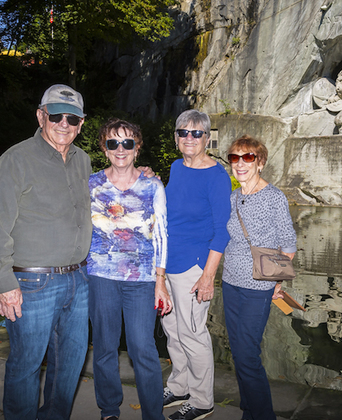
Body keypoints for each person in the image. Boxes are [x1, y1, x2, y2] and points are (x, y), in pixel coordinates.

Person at [0, 84, 92, 420]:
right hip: (30, 284)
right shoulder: (16, 160)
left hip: (78, 279)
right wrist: (4, 281)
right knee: (26, 367)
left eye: (72, 118)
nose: (64, 124)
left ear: (81, 124)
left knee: (69, 366)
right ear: (41, 115)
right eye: (56, 115)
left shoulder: (83, 161)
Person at [87, 118, 172, 420]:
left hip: (142, 279)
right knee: (105, 348)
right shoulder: (92, 184)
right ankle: (109, 410)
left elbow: (162, 234)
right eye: (113, 143)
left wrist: (160, 281)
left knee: (143, 349)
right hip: (100, 276)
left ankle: (153, 415)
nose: (120, 149)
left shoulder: (152, 185)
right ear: (104, 148)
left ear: (137, 147)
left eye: (127, 142)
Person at [161, 110, 231, 420]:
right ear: (176, 137)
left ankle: (202, 400)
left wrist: (208, 277)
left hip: (194, 265)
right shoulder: (177, 167)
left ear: (206, 138)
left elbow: (222, 230)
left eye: (196, 133)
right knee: (173, 330)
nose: (189, 138)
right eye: (183, 133)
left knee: (192, 332)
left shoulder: (216, 176)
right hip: (168, 261)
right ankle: (180, 386)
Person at [222, 135, 297, 420]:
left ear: (260, 162)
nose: (240, 164)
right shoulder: (233, 197)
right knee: (238, 352)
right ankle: (249, 411)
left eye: (248, 157)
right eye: (235, 158)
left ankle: (262, 415)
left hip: (258, 287)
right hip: (230, 283)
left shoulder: (273, 197)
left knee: (247, 355)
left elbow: (288, 245)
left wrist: (277, 283)